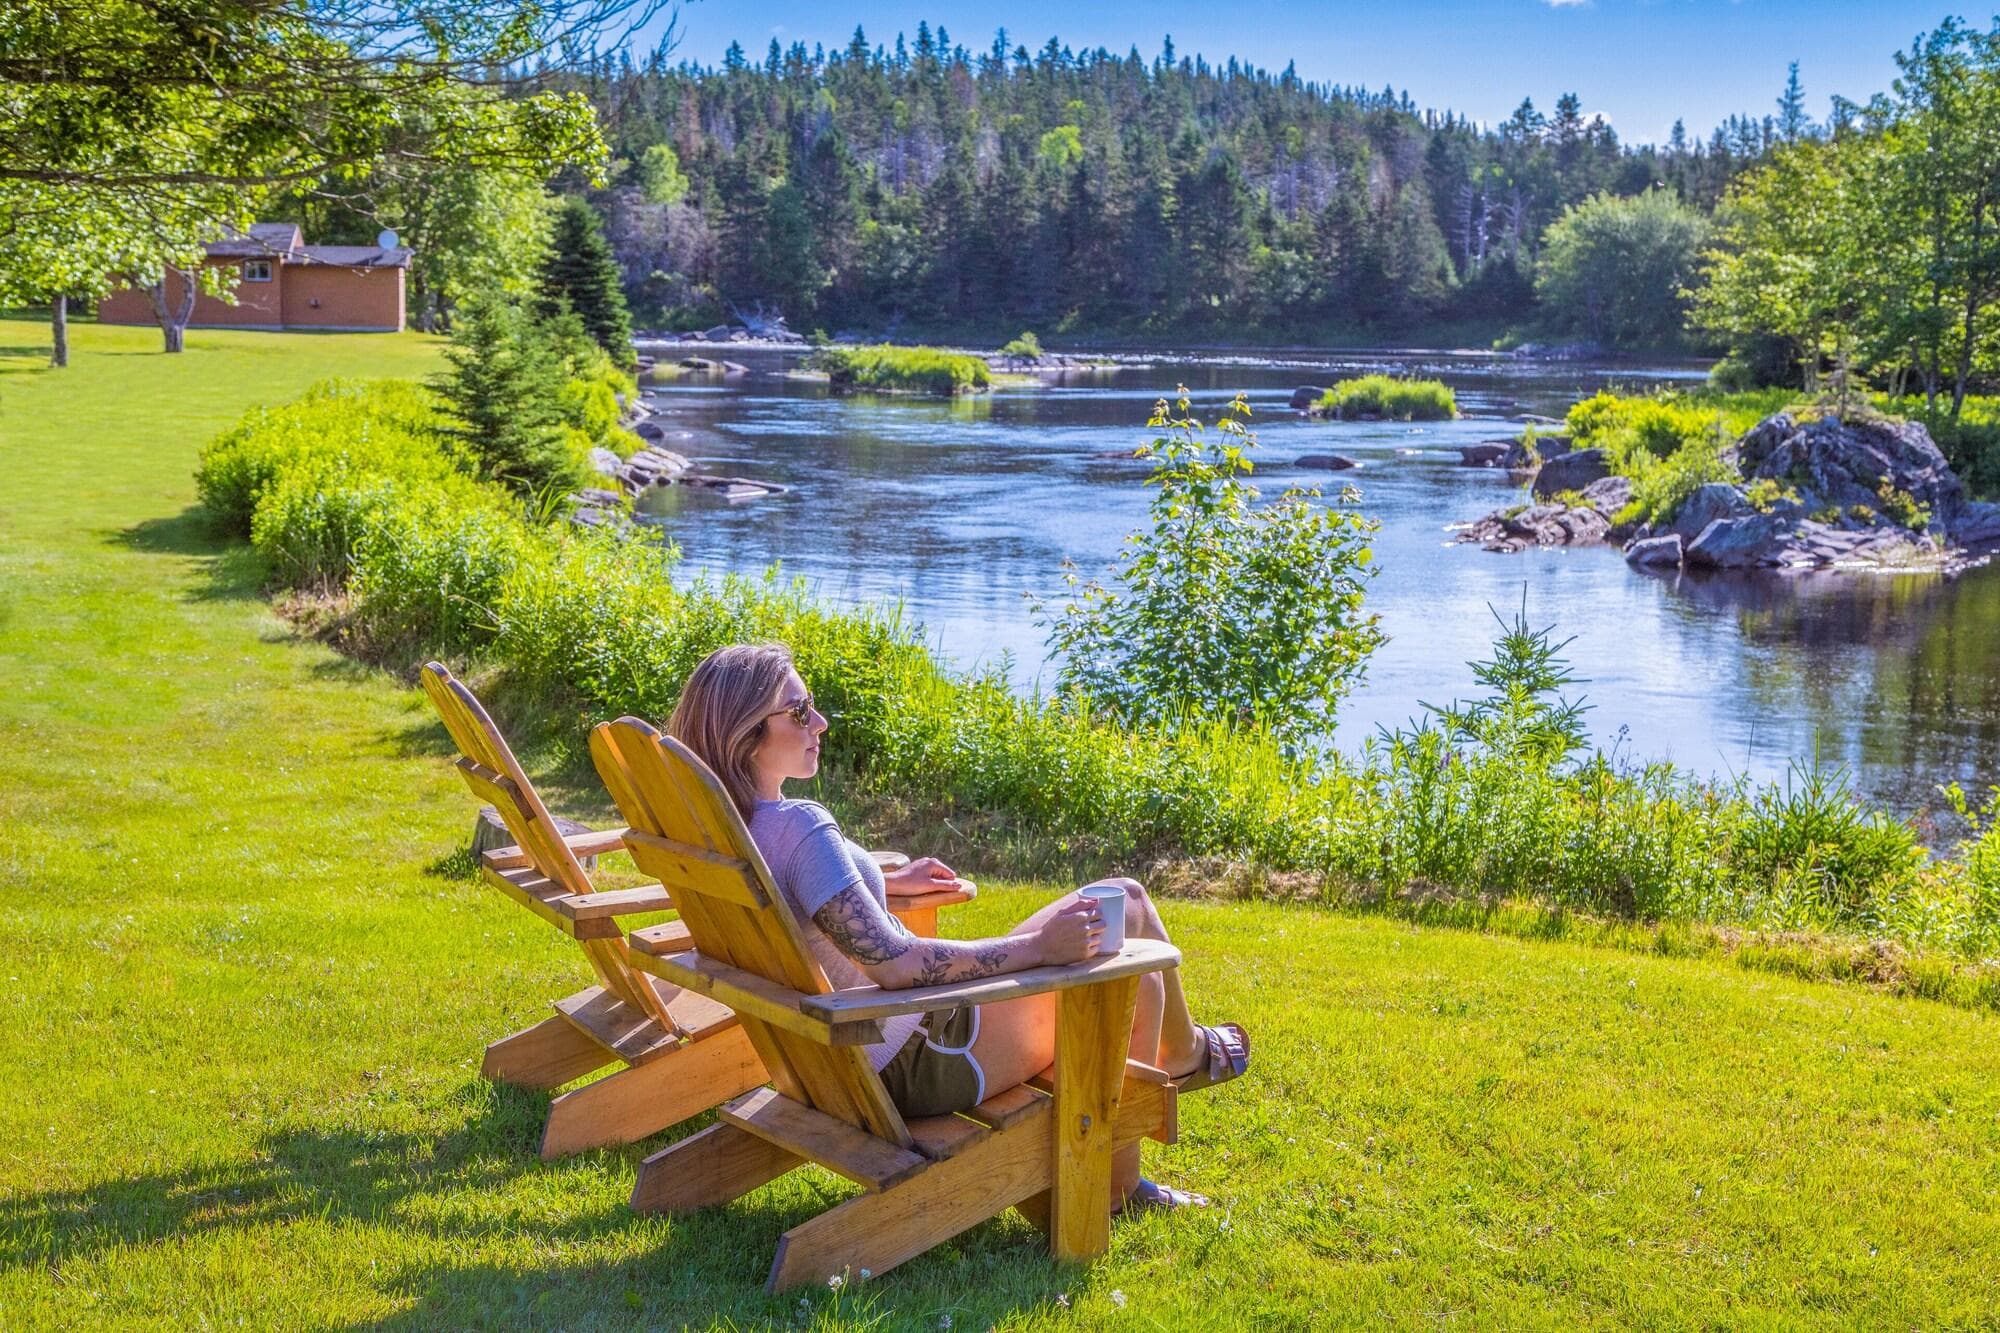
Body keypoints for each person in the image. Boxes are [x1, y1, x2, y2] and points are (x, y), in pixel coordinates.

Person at [666, 643, 1249, 1211]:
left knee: (1127, 901)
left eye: (811, 703)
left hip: (825, 1060)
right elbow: (897, 965)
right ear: (743, 735)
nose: (818, 721)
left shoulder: (722, 826)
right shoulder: (800, 829)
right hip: (920, 1056)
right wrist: (1041, 947)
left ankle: (1183, 1053)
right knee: (1132, 966)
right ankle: (1129, 1167)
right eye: (797, 711)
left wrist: (880, 884)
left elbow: (792, 897)